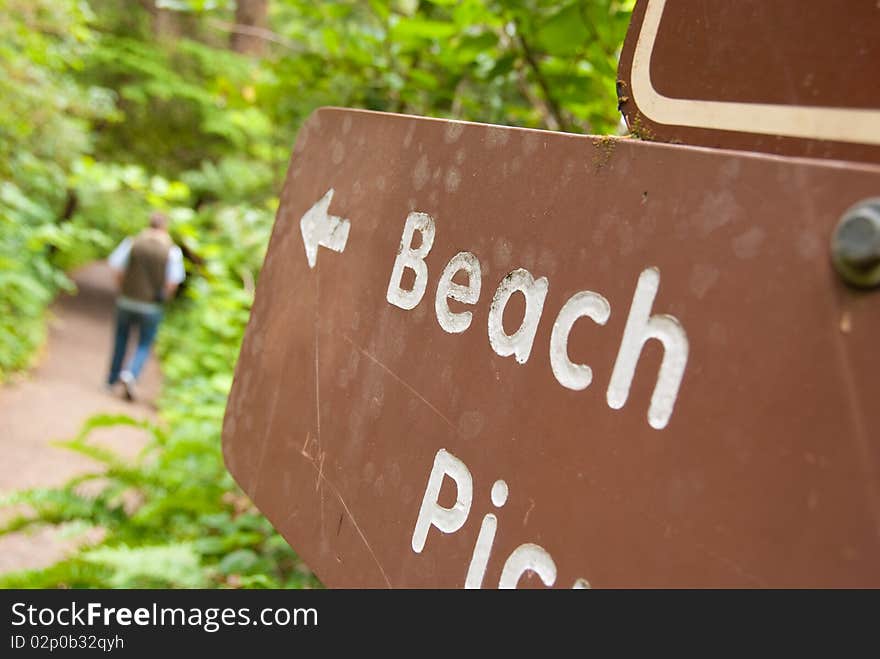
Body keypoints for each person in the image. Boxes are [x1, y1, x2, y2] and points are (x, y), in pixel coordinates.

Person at [106, 211, 185, 401]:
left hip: (126, 300)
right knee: (144, 343)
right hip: (151, 306)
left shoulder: (132, 242)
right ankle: (131, 374)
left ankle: (111, 379)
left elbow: (116, 267)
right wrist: (163, 298)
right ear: (165, 227)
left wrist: (122, 288)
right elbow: (173, 281)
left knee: (121, 339)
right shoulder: (172, 251)